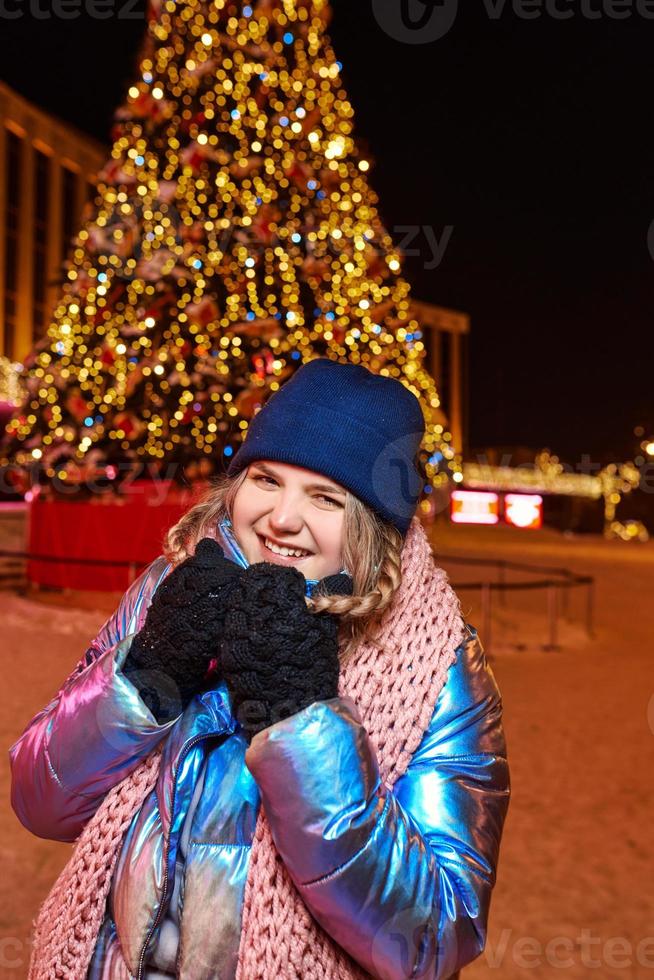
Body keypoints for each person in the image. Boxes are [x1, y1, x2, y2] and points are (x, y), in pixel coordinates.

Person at [10, 358, 510, 980]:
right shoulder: (176, 588)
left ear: (377, 526)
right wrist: (145, 682)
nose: (281, 518)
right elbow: (40, 799)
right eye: (266, 479)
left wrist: (301, 724)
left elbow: (433, 939)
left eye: (326, 497)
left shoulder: (439, 666)